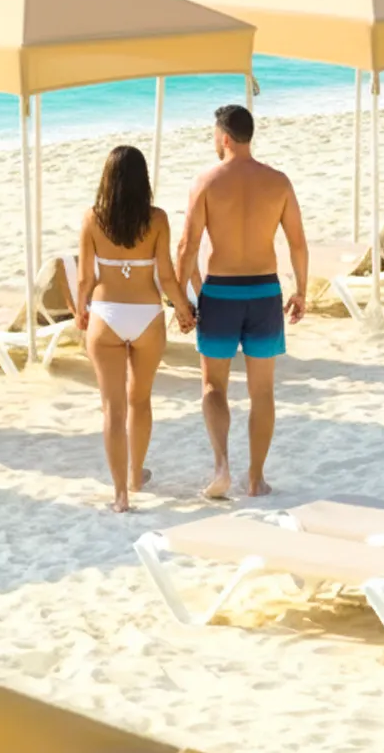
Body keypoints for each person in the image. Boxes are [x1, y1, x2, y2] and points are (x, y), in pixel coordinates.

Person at [176, 104, 307, 499]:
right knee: (262, 391)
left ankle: (221, 467)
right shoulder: (279, 182)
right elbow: (297, 243)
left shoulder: (206, 181)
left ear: (225, 138)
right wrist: (301, 289)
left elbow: (187, 246)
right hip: (265, 292)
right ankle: (256, 478)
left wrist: (181, 298)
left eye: (215, 136)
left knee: (213, 386)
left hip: (221, 293)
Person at [75, 145, 195, 513]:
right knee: (139, 400)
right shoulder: (156, 219)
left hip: (106, 313)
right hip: (145, 314)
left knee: (112, 408)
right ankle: (134, 475)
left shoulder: (92, 219)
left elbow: (85, 278)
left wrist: (82, 312)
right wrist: (184, 308)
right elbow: (166, 276)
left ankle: (120, 496)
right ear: (143, 180)